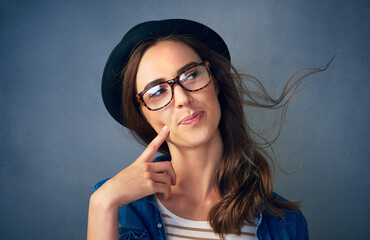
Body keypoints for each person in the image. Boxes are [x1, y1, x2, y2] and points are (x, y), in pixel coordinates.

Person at [87, 19, 327, 239]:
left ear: (216, 82)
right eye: (157, 92)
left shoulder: (286, 224)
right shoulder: (118, 205)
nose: (182, 98)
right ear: (142, 116)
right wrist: (102, 203)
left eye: (191, 74)